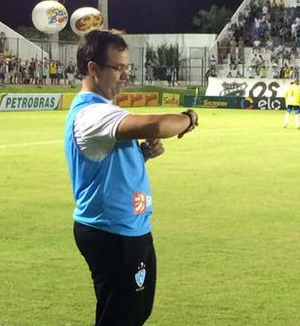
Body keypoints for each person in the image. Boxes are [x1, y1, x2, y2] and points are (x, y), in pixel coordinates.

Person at [64, 30, 199, 326]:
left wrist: (142, 155)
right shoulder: (92, 114)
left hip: (126, 226)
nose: (125, 76)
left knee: (133, 313)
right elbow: (157, 123)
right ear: (92, 69)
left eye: (128, 68)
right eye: (118, 68)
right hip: (112, 230)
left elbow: (106, 164)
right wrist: (189, 118)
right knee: (121, 318)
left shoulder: (103, 112)